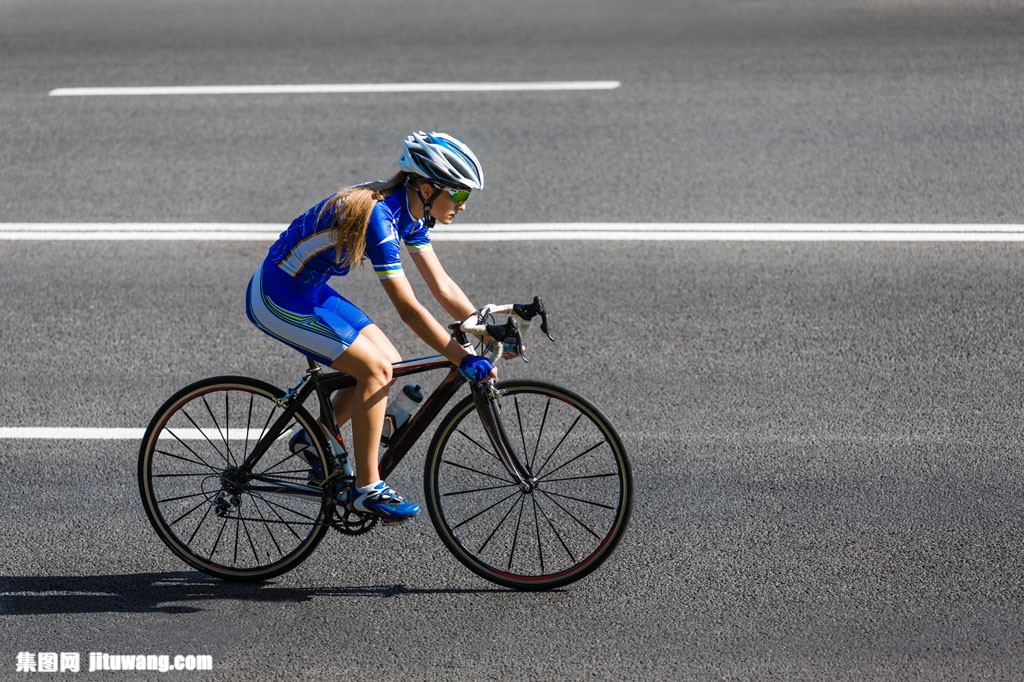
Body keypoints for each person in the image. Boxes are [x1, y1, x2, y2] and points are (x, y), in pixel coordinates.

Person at [245, 131, 496, 521]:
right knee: (376, 370)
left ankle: (313, 441)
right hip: (276, 297)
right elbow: (408, 308)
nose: (464, 205)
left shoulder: (410, 211)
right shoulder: (379, 216)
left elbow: (441, 284)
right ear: (428, 187)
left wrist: (486, 328)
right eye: (459, 194)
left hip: (308, 289)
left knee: (388, 362)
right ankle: (367, 488)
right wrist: (461, 356)